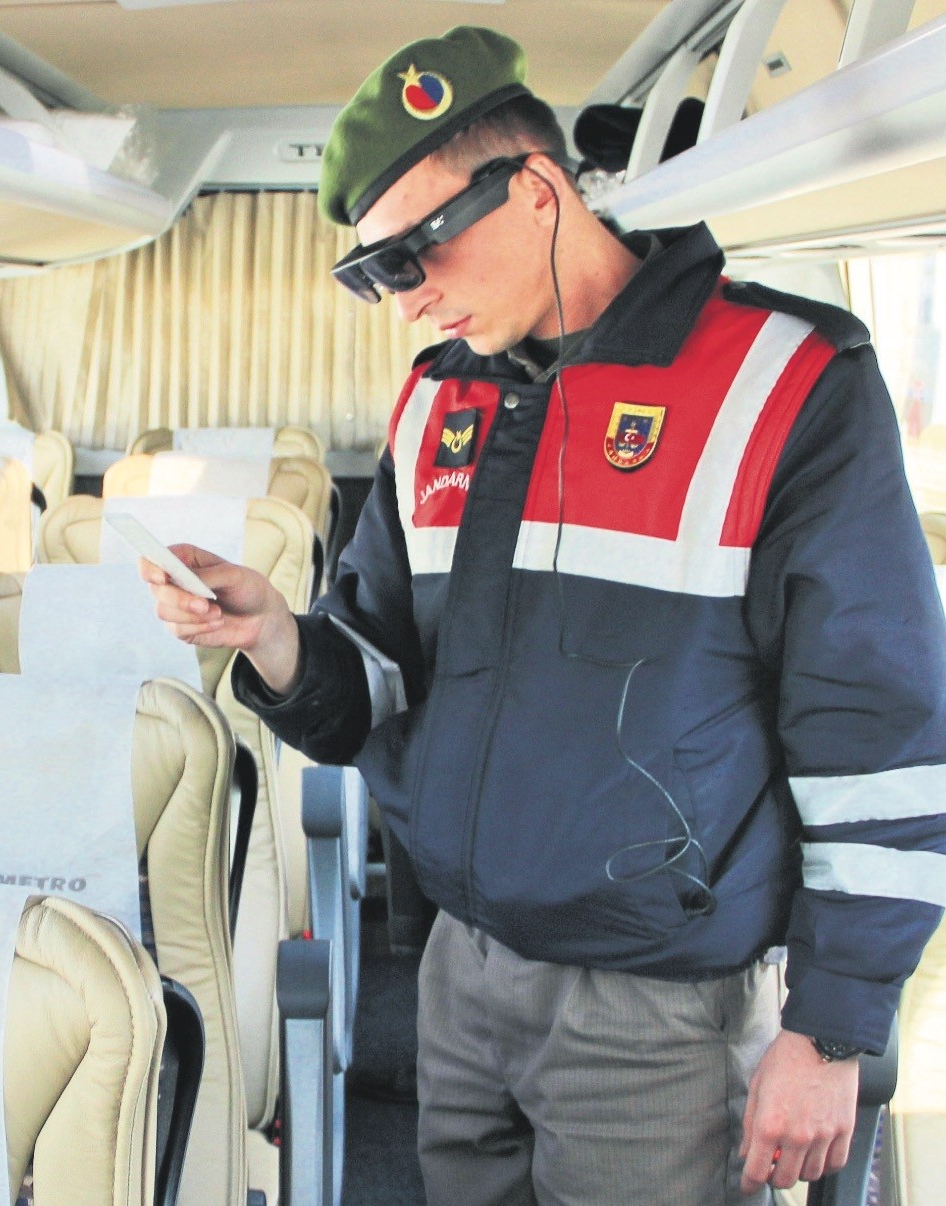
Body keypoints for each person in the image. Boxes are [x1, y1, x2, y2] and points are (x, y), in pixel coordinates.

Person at [143, 26, 946, 1204]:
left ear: (535, 191)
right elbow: (376, 682)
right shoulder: (436, 408)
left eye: (419, 254)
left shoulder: (788, 383)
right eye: (378, 275)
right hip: (459, 978)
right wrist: (272, 635)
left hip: (658, 1013)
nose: (408, 301)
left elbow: (878, 734)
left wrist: (830, 1034)